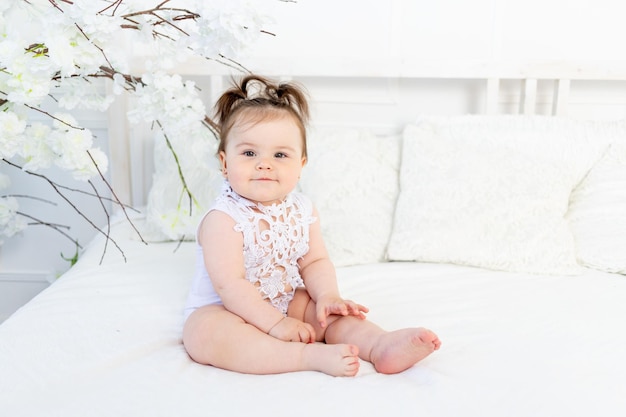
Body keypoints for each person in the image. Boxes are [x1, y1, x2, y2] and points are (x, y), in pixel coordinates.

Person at [182, 75, 441, 377]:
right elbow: (231, 285)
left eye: (280, 155)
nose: (264, 163)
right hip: (228, 309)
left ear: (301, 165)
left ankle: (379, 344)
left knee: (322, 311)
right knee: (205, 333)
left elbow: (315, 261)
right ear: (225, 163)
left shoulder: (302, 210)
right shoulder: (223, 218)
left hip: (285, 302)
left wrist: (329, 296)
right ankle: (305, 356)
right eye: (249, 153)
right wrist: (276, 324)